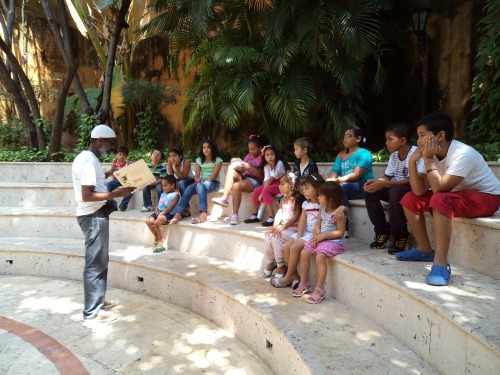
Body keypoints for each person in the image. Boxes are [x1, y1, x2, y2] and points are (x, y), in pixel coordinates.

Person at [396, 113, 500, 286]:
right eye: (418, 136)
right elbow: (419, 190)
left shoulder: (463, 153)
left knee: (440, 199)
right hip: (454, 194)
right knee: (409, 198)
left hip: (487, 197)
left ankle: (441, 264)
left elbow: (439, 189)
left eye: (422, 135)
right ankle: (424, 249)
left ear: (440, 135)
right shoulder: (428, 154)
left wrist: (428, 159)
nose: (419, 141)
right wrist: (412, 163)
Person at [72, 124, 134, 322]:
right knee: (95, 263)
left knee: (100, 261)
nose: (112, 148)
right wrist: (116, 194)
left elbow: (95, 181)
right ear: (100, 140)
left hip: (92, 215)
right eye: (110, 143)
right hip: (93, 216)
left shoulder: (87, 158)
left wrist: (111, 174)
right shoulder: (89, 162)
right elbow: (87, 194)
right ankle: (92, 312)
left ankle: (98, 300)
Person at [363, 122, 418, 254]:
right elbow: (387, 177)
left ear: (403, 140)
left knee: (395, 191)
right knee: (370, 190)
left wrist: (385, 184)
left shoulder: (416, 153)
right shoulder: (394, 156)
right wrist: (375, 182)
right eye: (386, 139)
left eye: (390, 139)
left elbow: (414, 181)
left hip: (414, 191)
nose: (387, 143)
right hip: (397, 191)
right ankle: (382, 230)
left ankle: (401, 234)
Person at [293, 181, 346, 304]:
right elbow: (318, 223)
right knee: (304, 253)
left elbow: (340, 232)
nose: (318, 198)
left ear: (330, 199)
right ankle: (304, 283)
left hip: (334, 240)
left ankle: (320, 289)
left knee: (320, 256)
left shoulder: (338, 213)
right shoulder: (322, 207)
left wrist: (324, 236)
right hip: (321, 238)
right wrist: (316, 235)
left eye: (320, 196)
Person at [270, 173, 324, 288]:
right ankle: (295, 276)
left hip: (314, 234)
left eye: (307, 188)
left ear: (317, 189)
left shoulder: (322, 205)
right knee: (286, 246)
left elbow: (320, 224)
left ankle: (287, 277)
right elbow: (302, 222)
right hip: (305, 233)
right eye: (303, 188)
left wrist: (300, 240)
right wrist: (299, 237)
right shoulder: (305, 204)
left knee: (294, 247)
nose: (304, 191)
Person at [327, 127, 374, 236]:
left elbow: (356, 175)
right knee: (328, 189)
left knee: (340, 188)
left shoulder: (364, 153)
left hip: (363, 185)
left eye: (349, 136)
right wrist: (331, 180)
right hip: (345, 185)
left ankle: (344, 228)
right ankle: (326, 223)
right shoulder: (341, 154)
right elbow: (335, 170)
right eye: (344, 136)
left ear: (358, 139)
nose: (345, 139)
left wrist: (336, 180)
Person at [212, 135, 265, 225]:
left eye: (253, 149)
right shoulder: (248, 156)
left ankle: (234, 215)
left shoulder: (263, 157)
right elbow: (244, 170)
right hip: (245, 177)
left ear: (260, 148)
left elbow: (262, 176)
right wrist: (239, 166)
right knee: (231, 169)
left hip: (256, 181)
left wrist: (250, 167)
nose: (251, 151)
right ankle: (225, 198)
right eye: (249, 149)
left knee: (236, 186)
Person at [171, 139, 223, 224]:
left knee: (201, 187)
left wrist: (202, 184)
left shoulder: (218, 160)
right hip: (202, 183)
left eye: (208, 147)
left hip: (214, 183)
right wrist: (198, 181)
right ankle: (178, 213)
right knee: (189, 188)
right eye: (204, 147)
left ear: (213, 148)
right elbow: (197, 174)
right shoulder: (199, 160)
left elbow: (213, 177)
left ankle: (203, 215)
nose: (206, 149)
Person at [263, 173, 304, 278]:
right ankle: (271, 262)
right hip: (285, 228)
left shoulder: (297, 201)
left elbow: (294, 218)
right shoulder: (283, 199)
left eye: (282, 184)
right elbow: (279, 213)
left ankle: (281, 265)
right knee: (268, 235)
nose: (279, 186)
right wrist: (275, 227)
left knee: (276, 237)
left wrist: (282, 228)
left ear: (291, 186)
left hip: (294, 230)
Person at [244, 145, 289, 226]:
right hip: (271, 182)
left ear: (276, 155)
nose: (270, 157)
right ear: (264, 157)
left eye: (272, 154)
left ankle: (271, 217)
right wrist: (260, 192)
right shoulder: (266, 166)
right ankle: (254, 215)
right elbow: (266, 180)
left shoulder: (279, 163)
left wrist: (262, 194)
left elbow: (271, 178)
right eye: (267, 155)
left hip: (281, 183)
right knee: (257, 190)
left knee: (265, 191)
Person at [146, 175, 181, 253]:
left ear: (172, 185)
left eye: (165, 185)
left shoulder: (176, 195)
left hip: (169, 214)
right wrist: (156, 210)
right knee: (148, 221)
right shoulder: (162, 194)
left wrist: (162, 213)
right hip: (160, 212)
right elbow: (158, 205)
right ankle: (156, 236)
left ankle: (161, 241)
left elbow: (171, 207)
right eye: (162, 185)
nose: (163, 187)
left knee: (157, 222)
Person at [106, 146, 133, 211]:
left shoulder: (128, 162)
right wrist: (113, 163)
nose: (121, 156)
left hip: (125, 180)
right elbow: (111, 171)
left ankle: (123, 205)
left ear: (126, 156)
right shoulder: (115, 162)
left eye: (124, 155)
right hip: (116, 180)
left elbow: (129, 172)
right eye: (120, 154)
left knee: (132, 188)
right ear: (117, 155)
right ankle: (113, 204)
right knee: (106, 186)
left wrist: (127, 163)